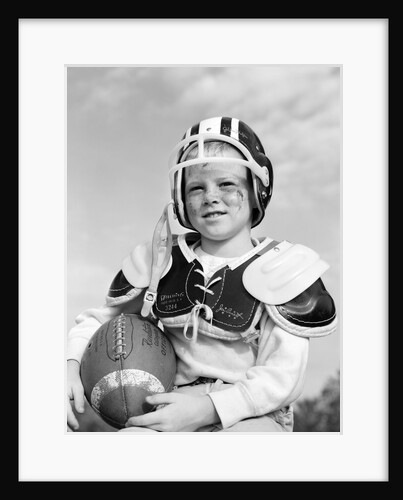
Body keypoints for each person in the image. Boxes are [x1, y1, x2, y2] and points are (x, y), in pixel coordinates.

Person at [67, 116, 337, 433]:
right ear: (181, 199)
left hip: (252, 412)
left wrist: (210, 408)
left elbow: (282, 377)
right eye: (197, 187)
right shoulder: (161, 260)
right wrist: (70, 367)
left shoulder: (284, 269)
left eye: (227, 184)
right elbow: (101, 321)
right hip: (173, 405)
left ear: (256, 190)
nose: (210, 196)